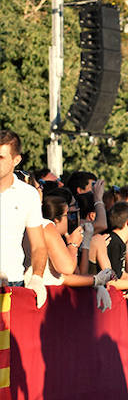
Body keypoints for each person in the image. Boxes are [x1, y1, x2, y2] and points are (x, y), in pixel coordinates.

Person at [0, 130, 49, 305]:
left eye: (1, 157)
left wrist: (37, 277)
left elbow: (38, 245)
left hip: (14, 284)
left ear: (16, 160)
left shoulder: (28, 194)